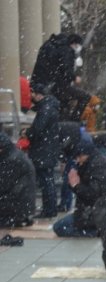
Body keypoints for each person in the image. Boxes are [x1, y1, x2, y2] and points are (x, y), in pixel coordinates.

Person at [53, 139, 106, 238]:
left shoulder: (95, 165)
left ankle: (96, 232)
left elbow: (92, 194)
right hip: (99, 210)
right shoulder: (92, 163)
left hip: (101, 210)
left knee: (60, 228)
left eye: (79, 156)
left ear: (86, 154)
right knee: (61, 226)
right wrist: (73, 184)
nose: (77, 160)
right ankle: (95, 230)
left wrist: (76, 185)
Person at [31, 33, 90, 122]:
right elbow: (65, 69)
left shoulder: (51, 46)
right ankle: (73, 122)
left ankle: (63, 124)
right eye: (78, 45)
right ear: (74, 43)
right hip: (57, 85)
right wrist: (74, 77)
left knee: (62, 105)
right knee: (85, 97)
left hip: (46, 84)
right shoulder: (66, 50)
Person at [25, 82, 60, 219]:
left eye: (32, 93)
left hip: (43, 150)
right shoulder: (49, 107)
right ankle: (50, 208)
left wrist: (27, 132)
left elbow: (37, 129)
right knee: (47, 180)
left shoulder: (45, 108)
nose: (31, 96)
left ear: (38, 95)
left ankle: (49, 210)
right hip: (46, 149)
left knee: (46, 181)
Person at [0, 132, 36, 228]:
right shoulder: (13, 154)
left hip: (17, 203)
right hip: (22, 202)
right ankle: (22, 218)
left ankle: (17, 218)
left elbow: (4, 185)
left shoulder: (10, 160)